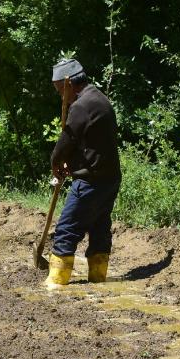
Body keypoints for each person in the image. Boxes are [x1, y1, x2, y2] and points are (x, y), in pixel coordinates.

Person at [45, 59, 121, 288]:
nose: (61, 97)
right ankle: (98, 280)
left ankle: (56, 283)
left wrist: (56, 162)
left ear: (68, 84)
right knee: (99, 227)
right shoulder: (99, 99)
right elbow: (92, 144)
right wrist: (75, 163)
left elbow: (67, 140)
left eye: (60, 91)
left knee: (67, 228)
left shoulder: (80, 106)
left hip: (91, 181)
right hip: (109, 179)